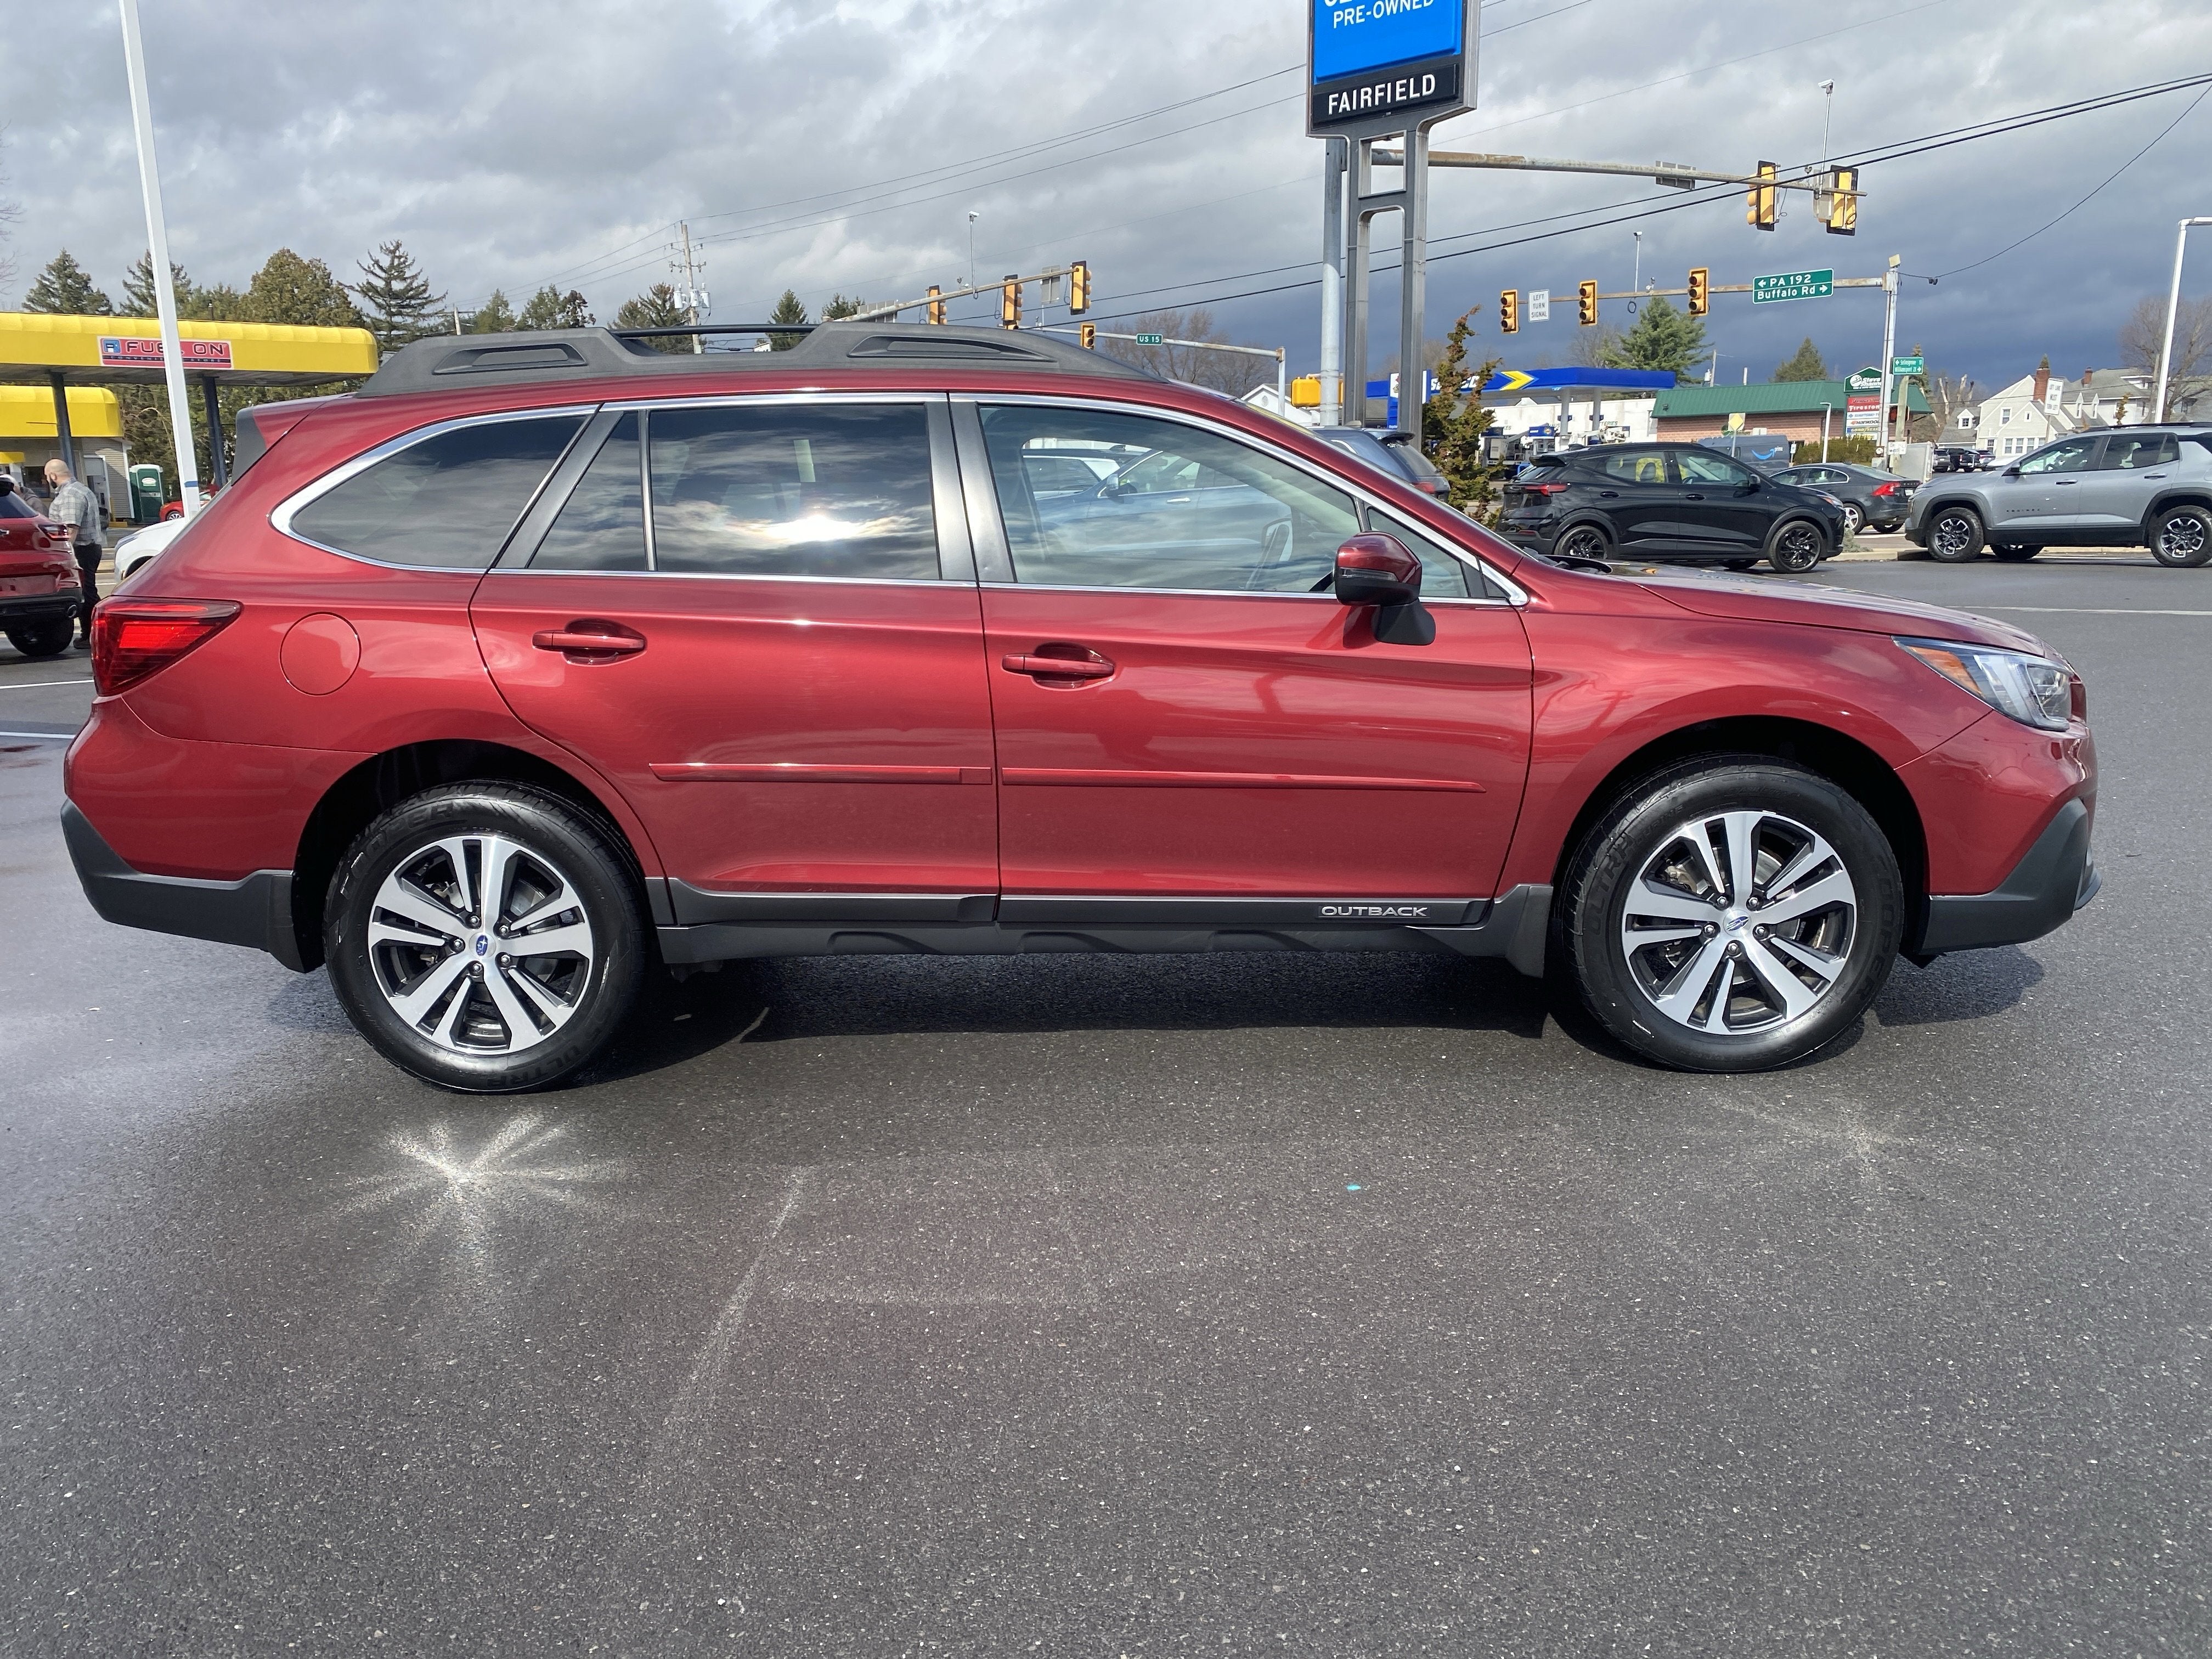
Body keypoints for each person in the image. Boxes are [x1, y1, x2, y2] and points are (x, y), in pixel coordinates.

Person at [42, 460, 105, 645]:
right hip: (88, 548)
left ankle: (92, 636)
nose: (47, 481)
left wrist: (63, 555)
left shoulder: (70, 495)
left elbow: (71, 530)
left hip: (81, 550)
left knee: (86, 594)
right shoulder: (81, 489)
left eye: (47, 477)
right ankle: (98, 632)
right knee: (88, 591)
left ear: (53, 476)